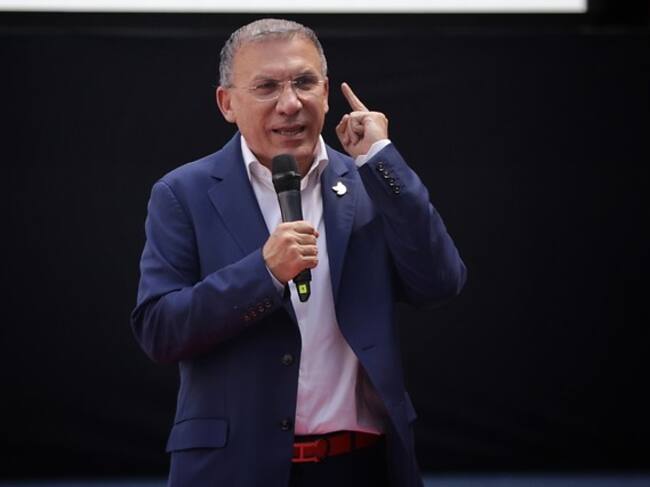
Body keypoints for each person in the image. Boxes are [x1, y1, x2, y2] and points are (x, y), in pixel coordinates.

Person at [131, 18, 466, 487]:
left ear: (326, 93)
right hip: (235, 469)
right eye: (267, 87)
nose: (290, 104)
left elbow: (440, 283)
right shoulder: (183, 193)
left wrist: (382, 161)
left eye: (304, 83)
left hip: (361, 465)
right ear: (227, 103)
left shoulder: (370, 181)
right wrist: (263, 274)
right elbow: (159, 330)